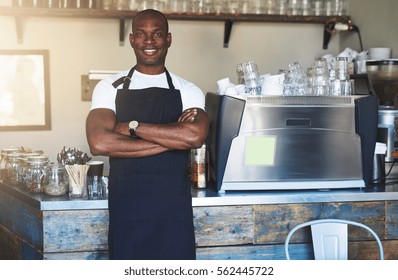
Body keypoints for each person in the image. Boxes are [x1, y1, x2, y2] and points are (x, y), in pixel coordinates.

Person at [85, 9, 209, 260]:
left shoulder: (188, 89)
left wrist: (130, 127)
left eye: (157, 34)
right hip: (127, 211)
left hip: (174, 212)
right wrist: (173, 139)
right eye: (141, 34)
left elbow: (195, 137)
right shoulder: (110, 86)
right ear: (132, 40)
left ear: (169, 39)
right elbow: (99, 142)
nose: (149, 41)